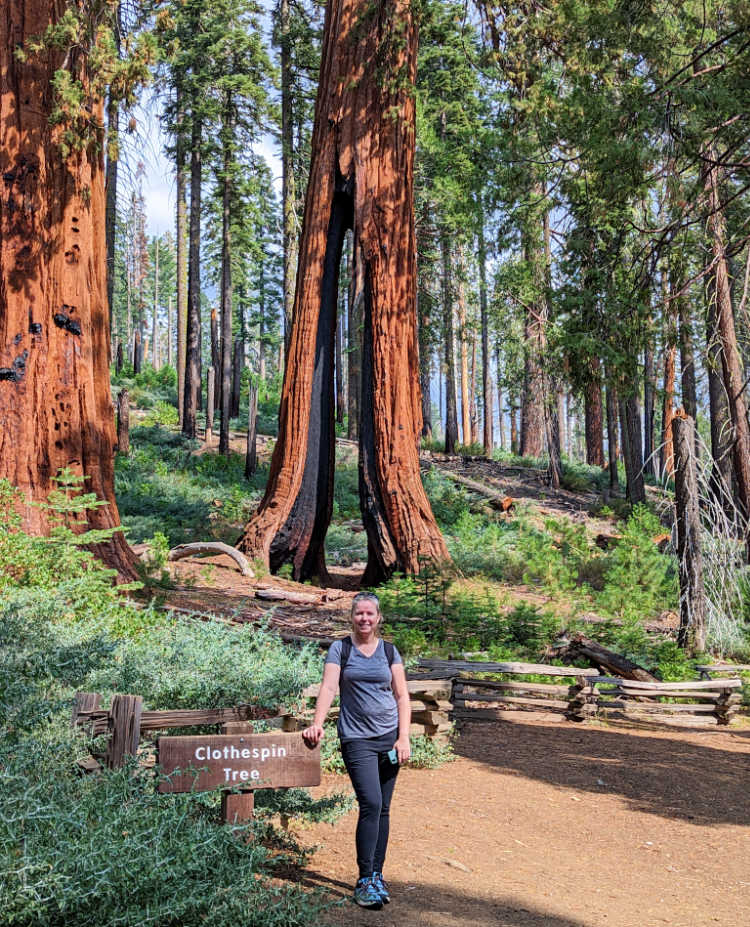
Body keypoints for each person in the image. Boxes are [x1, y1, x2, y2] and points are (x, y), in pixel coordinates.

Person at [302, 591, 411, 909]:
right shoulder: (341, 648)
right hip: (357, 739)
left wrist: (403, 738)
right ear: (352, 616)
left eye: (370, 614)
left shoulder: (390, 651)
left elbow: (402, 696)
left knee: (384, 808)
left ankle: (377, 875)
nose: (364, 618)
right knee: (371, 803)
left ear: (378, 618)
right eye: (359, 613)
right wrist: (317, 722)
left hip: (389, 738)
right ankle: (364, 879)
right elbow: (328, 687)